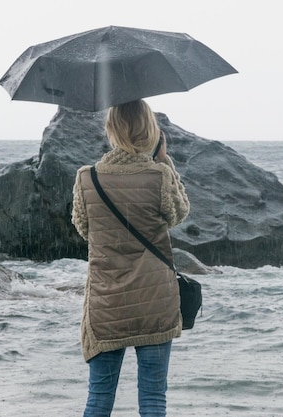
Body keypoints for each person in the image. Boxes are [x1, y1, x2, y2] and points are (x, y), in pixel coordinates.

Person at [71, 99, 190, 416]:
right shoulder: (158, 176)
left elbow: (85, 230)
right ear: (151, 131)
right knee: (153, 398)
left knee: (99, 398)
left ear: (111, 129)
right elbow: (178, 214)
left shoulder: (88, 178)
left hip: (107, 304)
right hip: (155, 301)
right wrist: (165, 162)